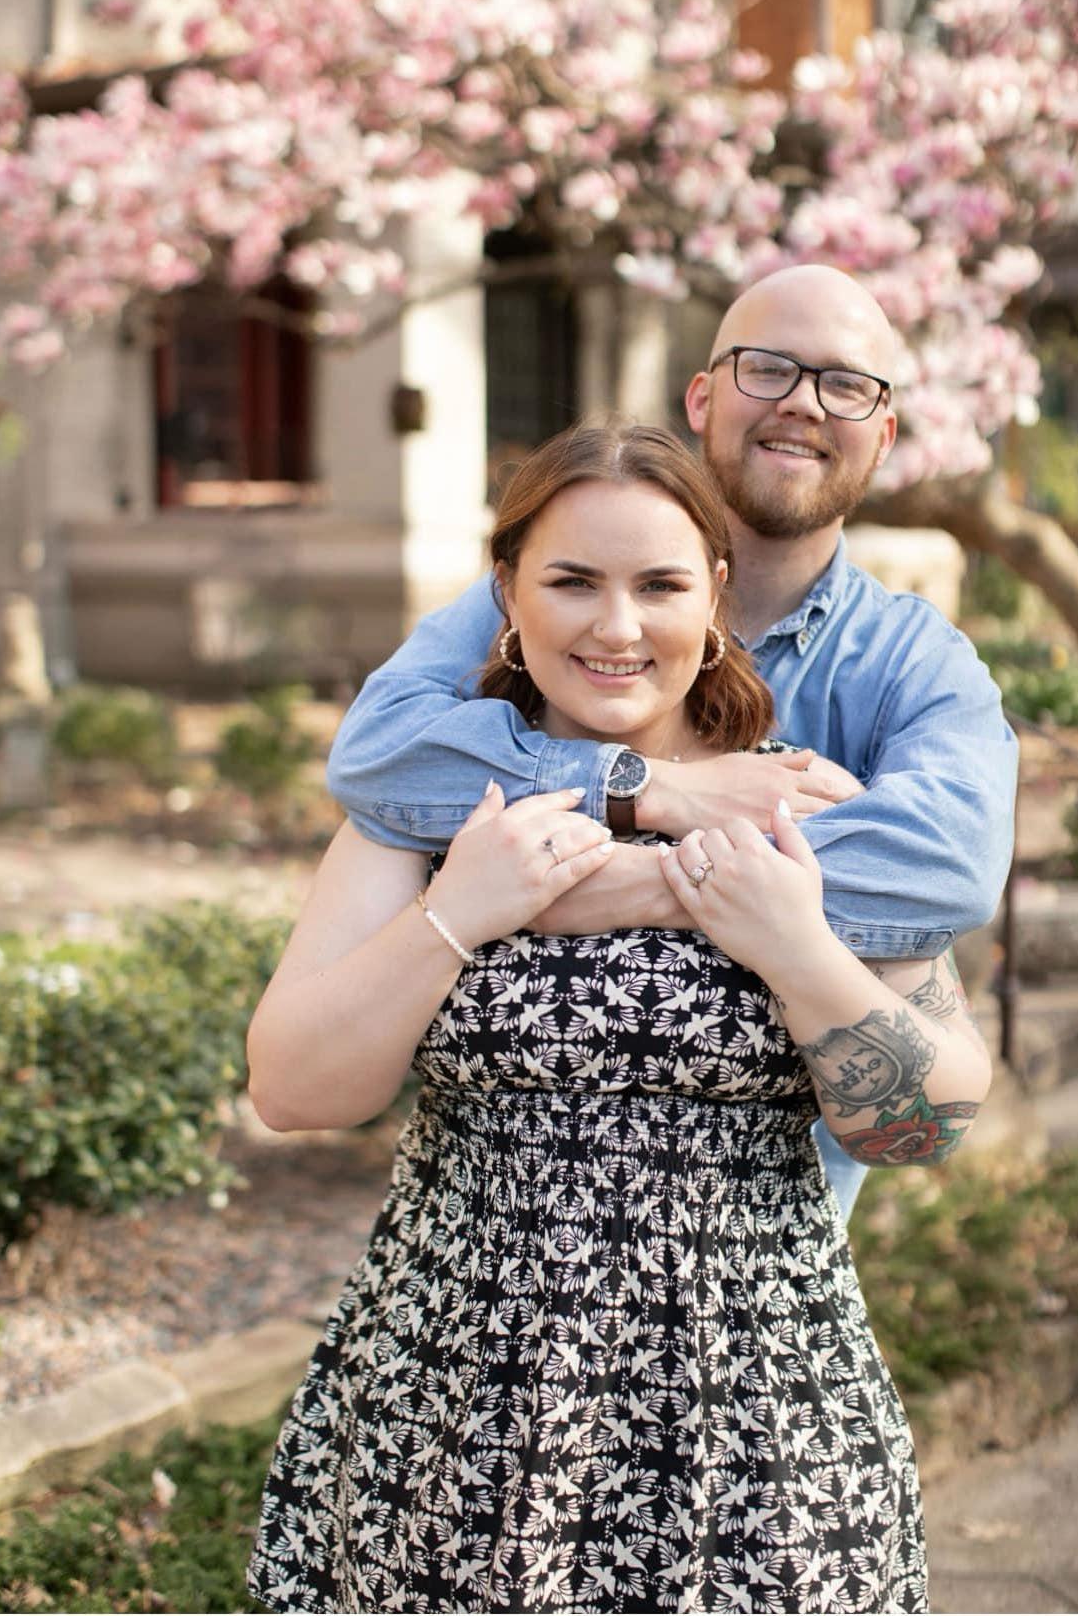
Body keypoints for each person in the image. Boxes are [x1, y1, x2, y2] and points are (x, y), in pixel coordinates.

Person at [244, 421, 992, 1613]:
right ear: (505, 593)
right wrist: (455, 914)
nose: (615, 625)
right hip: (454, 1423)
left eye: (658, 585)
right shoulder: (435, 800)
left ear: (715, 596)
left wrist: (794, 947)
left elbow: (927, 1122)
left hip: (759, 1427)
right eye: (571, 580)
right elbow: (291, 1088)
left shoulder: (802, 808)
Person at [324, 264, 1017, 1221]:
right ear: (702, 399)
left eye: (846, 384)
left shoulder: (916, 665)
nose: (804, 404)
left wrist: (638, 882)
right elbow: (379, 754)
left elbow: (950, 868)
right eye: (768, 368)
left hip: (765, 1242)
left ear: (886, 433)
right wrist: (650, 790)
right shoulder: (545, 600)